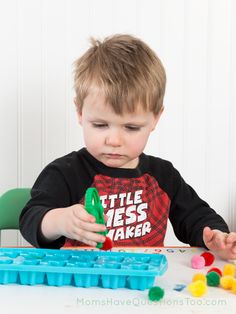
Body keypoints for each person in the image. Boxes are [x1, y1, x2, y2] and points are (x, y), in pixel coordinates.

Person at [19, 34, 236, 260]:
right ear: (80, 112)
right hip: (79, 284)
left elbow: (196, 216)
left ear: (155, 118)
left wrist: (216, 237)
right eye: (100, 125)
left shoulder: (163, 175)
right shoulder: (66, 172)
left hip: (141, 287)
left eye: (131, 127)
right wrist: (59, 221)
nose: (114, 140)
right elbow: (30, 219)